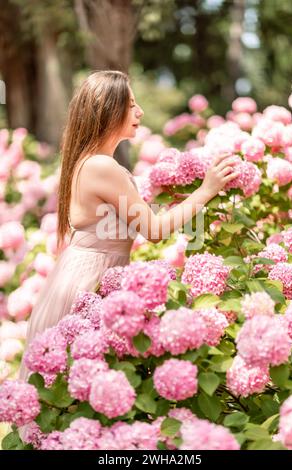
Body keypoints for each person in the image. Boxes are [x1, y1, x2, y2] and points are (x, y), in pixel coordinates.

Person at [18, 70, 238, 384]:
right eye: (131, 105)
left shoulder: (90, 162)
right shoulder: (102, 167)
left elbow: (130, 220)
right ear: (109, 110)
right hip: (88, 280)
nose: (140, 112)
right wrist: (207, 189)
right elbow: (154, 229)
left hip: (83, 273)